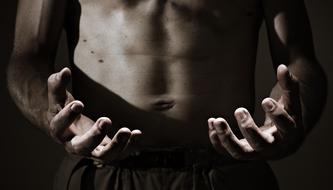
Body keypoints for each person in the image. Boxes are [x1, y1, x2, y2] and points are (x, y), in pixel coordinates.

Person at [6, 0, 327, 189]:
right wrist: (54, 116)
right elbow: (27, 58)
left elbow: (300, 59)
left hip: (226, 173)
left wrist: (290, 120)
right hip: (103, 175)